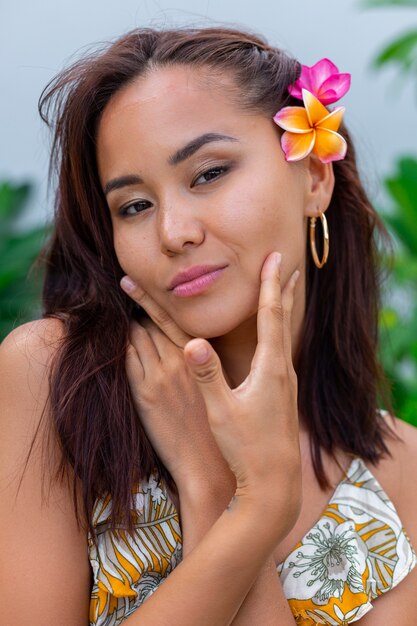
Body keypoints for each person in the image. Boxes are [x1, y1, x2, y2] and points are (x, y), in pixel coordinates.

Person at [1, 25, 416, 626]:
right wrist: (248, 514)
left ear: (315, 178)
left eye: (208, 173)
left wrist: (226, 494)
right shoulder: (57, 383)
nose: (174, 232)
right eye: (134, 206)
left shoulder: (398, 477)